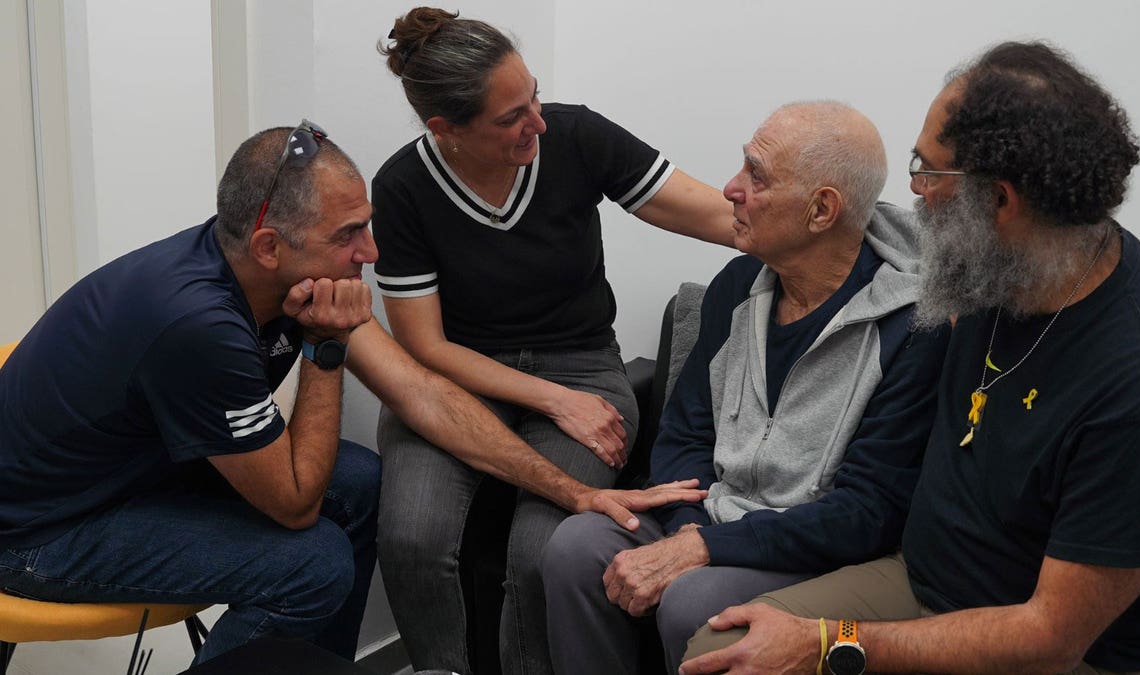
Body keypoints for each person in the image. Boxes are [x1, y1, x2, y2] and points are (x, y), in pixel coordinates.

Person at [0, 122, 705, 666]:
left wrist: (573, 492)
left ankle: (310, 669)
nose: (370, 251)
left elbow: (421, 394)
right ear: (272, 245)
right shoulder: (196, 323)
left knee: (366, 481)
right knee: (312, 564)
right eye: (349, 234)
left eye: (365, 223)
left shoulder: (278, 272)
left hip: (139, 473)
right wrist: (327, 352)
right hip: (42, 529)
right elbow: (295, 500)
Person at [679, 41, 1140, 675]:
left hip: (1039, 648)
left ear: (1001, 201)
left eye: (928, 171)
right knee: (718, 648)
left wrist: (829, 641)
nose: (914, 191)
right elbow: (833, 233)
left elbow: (1049, 638)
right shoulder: (995, 273)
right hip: (921, 582)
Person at [370, 8, 735, 675]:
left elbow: (705, 209)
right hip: (460, 375)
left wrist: (787, 228)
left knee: (541, 547)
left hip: (582, 364)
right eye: (510, 117)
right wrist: (554, 401)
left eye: (533, 94)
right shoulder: (402, 188)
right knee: (410, 534)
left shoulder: (574, 136)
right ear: (444, 130)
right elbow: (424, 345)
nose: (536, 121)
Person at [541, 101, 949, 674]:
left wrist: (706, 552)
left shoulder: (915, 326)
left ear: (821, 210)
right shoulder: (734, 286)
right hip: (710, 518)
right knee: (575, 546)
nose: (731, 189)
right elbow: (683, 433)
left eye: (756, 174)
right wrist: (690, 533)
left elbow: (868, 512)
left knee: (698, 603)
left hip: (812, 547)